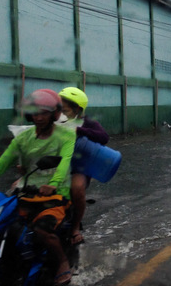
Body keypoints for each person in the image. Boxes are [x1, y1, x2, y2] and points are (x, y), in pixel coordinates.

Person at [0, 89, 75, 286]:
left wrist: (52, 185)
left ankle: (62, 262)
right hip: (25, 193)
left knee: (42, 230)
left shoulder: (66, 136)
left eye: (44, 112)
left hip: (55, 196)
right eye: (35, 112)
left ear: (55, 114)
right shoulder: (23, 138)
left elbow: (64, 163)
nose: (39, 117)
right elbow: (1, 164)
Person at [58, 87, 109, 246]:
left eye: (65, 109)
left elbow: (104, 137)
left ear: (77, 110)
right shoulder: (55, 121)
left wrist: (78, 130)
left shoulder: (88, 123)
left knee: (77, 188)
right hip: (56, 164)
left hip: (78, 167)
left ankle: (74, 228)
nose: (61, 112)